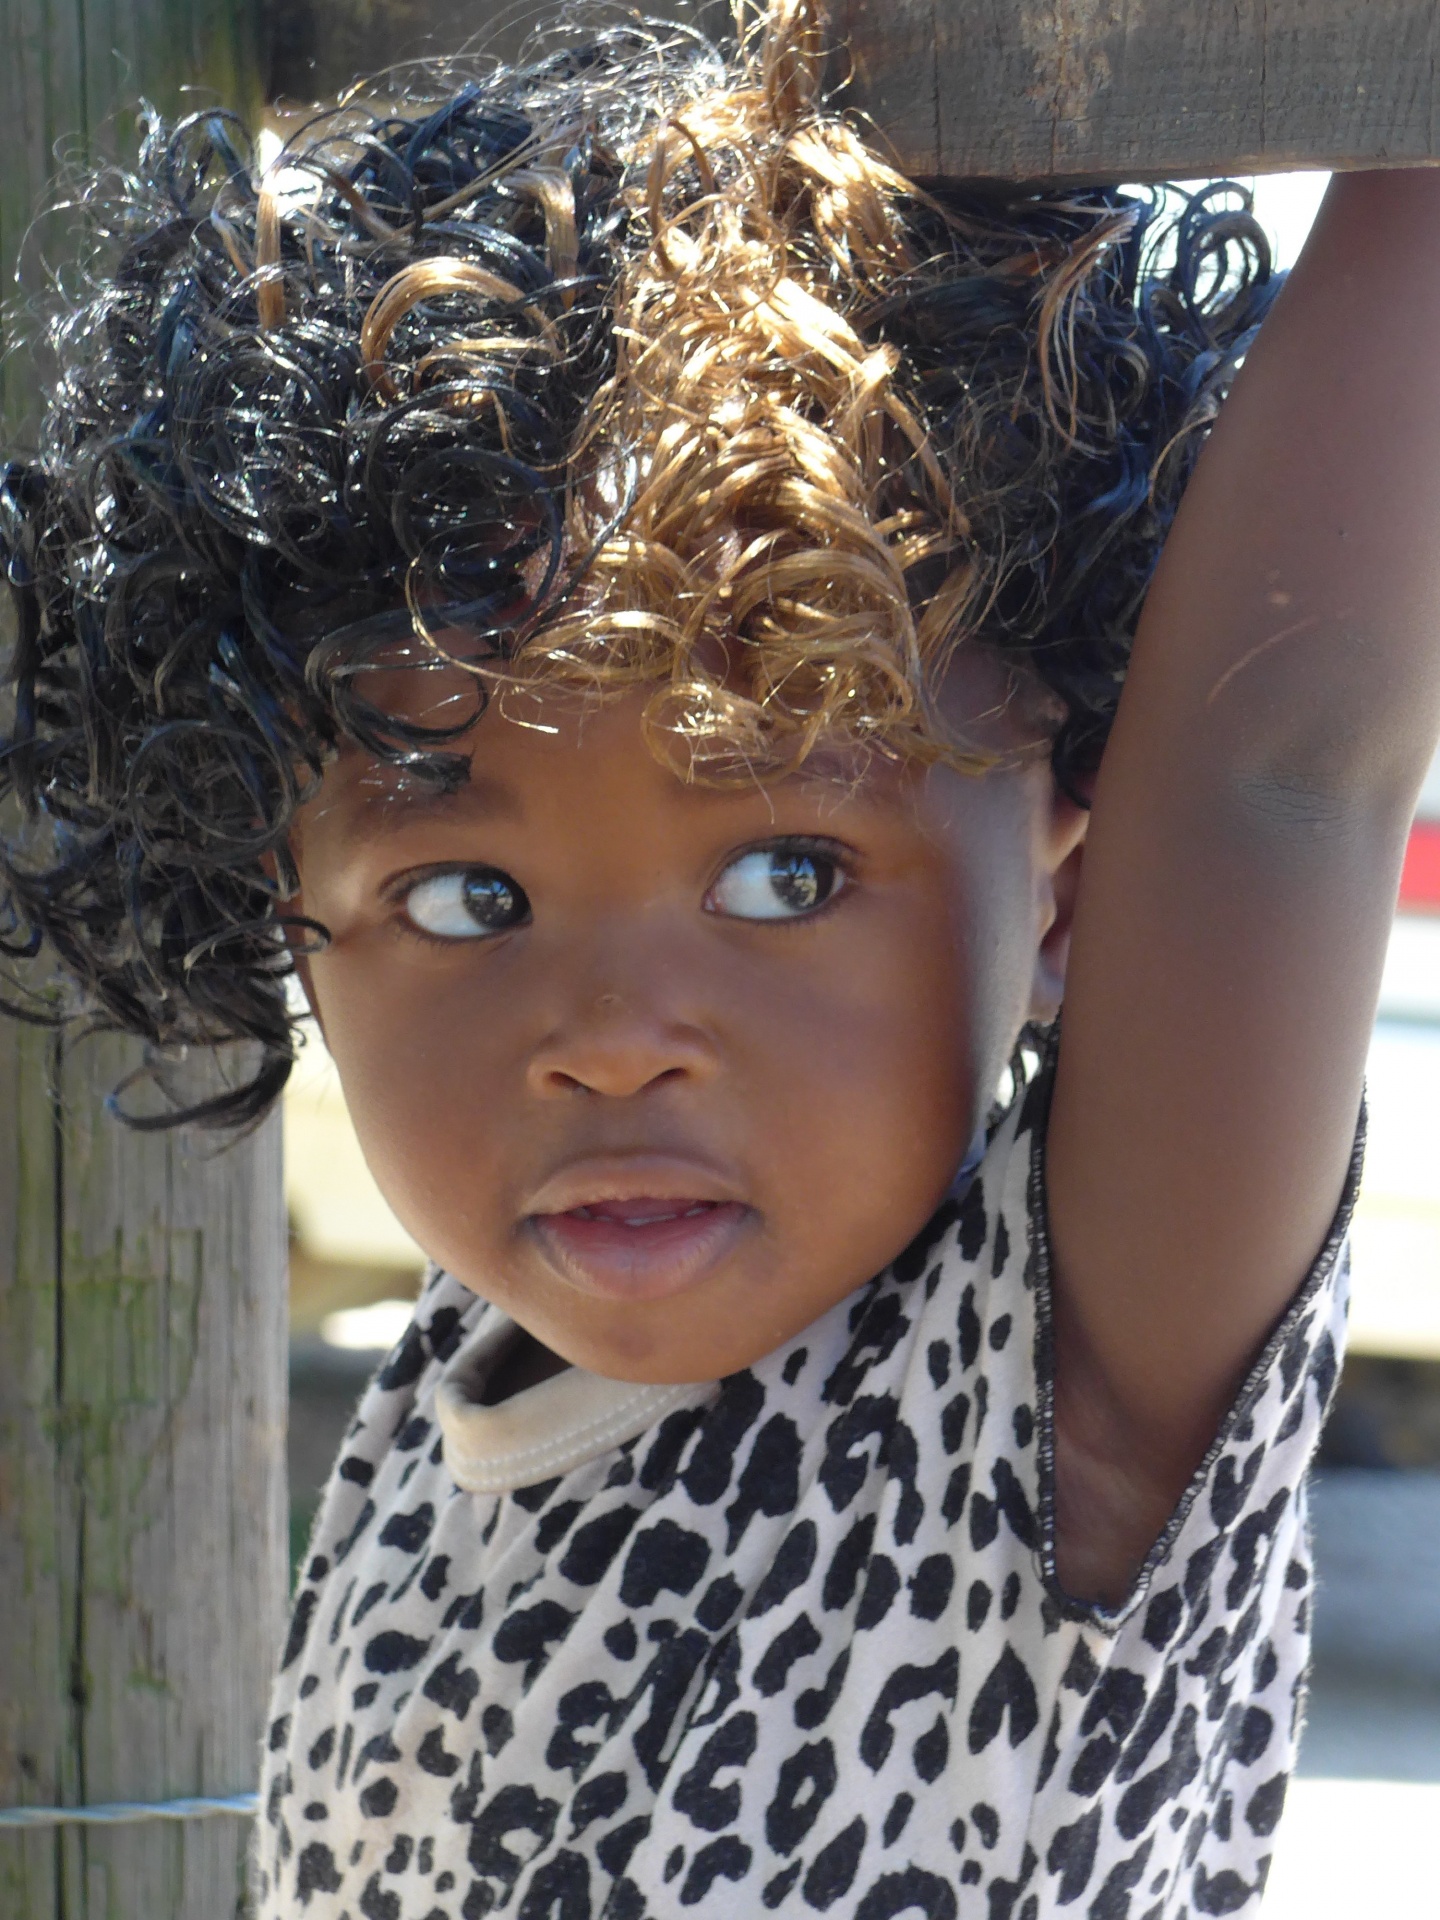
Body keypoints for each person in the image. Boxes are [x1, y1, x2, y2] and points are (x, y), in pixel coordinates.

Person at [2, 1, 1435, 1912]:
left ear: (1069, 907)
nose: (606, 1042)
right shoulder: (462, 1392)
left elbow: (1273, 770)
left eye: (785, 875)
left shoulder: (1053, 1410)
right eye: (464, 903)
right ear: (288, 913)